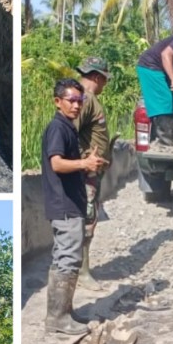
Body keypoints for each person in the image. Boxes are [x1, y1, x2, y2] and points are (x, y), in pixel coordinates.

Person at [42, 78, 106, 335]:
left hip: (68, 203)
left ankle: (62, 312)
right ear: (58, 102)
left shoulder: (67, 128)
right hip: (64, 204)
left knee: (65, 258)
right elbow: (56, 163)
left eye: (80, 101)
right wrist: (84, 165)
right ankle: (57, 317)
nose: (77, 106)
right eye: (71, 101)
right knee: (68, 259)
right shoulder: (58, 128)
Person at [73, 57, 112, 292]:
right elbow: (69, 134)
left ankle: (80, 269)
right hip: (85, 174)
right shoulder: (85, 99)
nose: (105, 85)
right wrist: (81, 163)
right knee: (87, 221)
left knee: (89, 218)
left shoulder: (84, 98)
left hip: (90, 172)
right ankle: (81, 272)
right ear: (97, 77)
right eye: (104, 80)